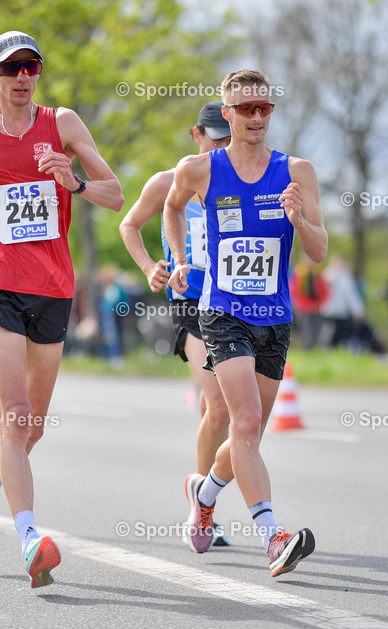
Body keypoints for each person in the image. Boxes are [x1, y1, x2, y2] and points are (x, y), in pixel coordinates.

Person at [0, 30, 123, 588]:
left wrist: (74, 181)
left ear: (37, 73)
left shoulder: (62, 124)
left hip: (54, 288)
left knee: (32, 427)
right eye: (11, 68)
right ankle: (30, 538)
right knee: (14, 413)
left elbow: (115, 193)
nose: (22, 77)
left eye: (30, 68)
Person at [165, 70, 328, 577]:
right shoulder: (199, 170)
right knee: (247, 424)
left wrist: (299, 219)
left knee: (248, 437)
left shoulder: (297, 171)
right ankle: (273, 535)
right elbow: (171, 209)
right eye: (247, 109)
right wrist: (178, 259)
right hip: (222, 311)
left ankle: (204, 493)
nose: (257, 118)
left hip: (275, 317)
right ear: (228, 113)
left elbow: (320, 252)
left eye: (265, 108)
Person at [118, 101, 233, 549]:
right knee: (220, 407)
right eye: (215, 138)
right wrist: (150, 267)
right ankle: (204, 508)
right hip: (190, 305)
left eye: (229, 139)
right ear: (196, 136)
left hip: (233, 305)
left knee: (214, 410)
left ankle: (200, 491)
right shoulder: (168, 182)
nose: (222, 146)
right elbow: (130, 225)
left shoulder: (237, 180)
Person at [318, 255, 365, 350]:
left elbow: (351, 296)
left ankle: (340, 350)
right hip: (329, 311)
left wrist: (358, 311)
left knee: (342, 336)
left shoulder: (345, 278)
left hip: (341, 312)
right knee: (329, 335)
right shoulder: (326, 276)